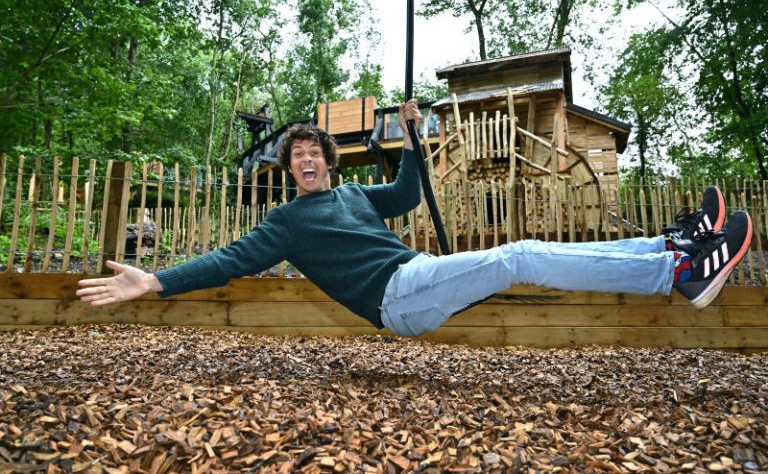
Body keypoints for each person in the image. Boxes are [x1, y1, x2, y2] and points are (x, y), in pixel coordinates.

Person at [77, 100, 753, 337]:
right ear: (288, 170)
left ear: (331, 161)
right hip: (397, 300)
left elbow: (405, 195)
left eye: (314, 152)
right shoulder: (287, 222)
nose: (307, 162)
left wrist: (414, 139)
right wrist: (158, 280)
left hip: (418, 274)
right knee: (516, 254)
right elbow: (225, 261)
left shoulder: (355, 196)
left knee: (528, 247)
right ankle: (680, 272)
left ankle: (672, 244)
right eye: (297, 156)